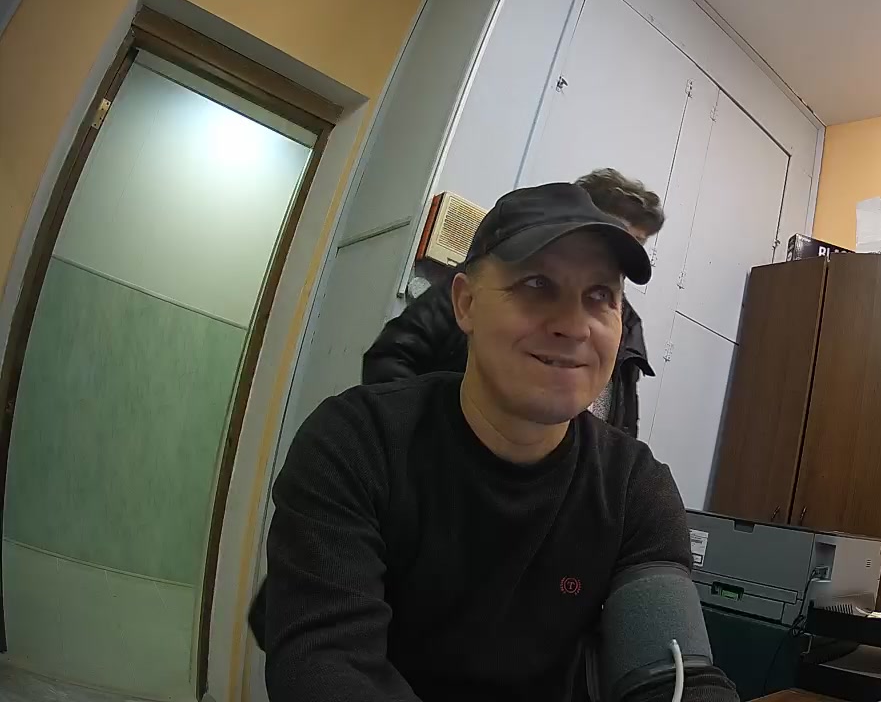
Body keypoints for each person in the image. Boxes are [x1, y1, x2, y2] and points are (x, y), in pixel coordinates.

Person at [257, 183, 737, 702]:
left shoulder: (635, 487)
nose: (574, 327)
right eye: (536, 284)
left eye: (600, 296)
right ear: (464, 303)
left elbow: (674, 675)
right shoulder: (354, 443)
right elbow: (327, 665)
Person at [363, 169, 663, 437]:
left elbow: (623, 420)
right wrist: (424, 443)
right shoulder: (484, 282)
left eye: (638, 241)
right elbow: (394, 354)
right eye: (538, 286)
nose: (575, 328)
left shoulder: (627, 325)